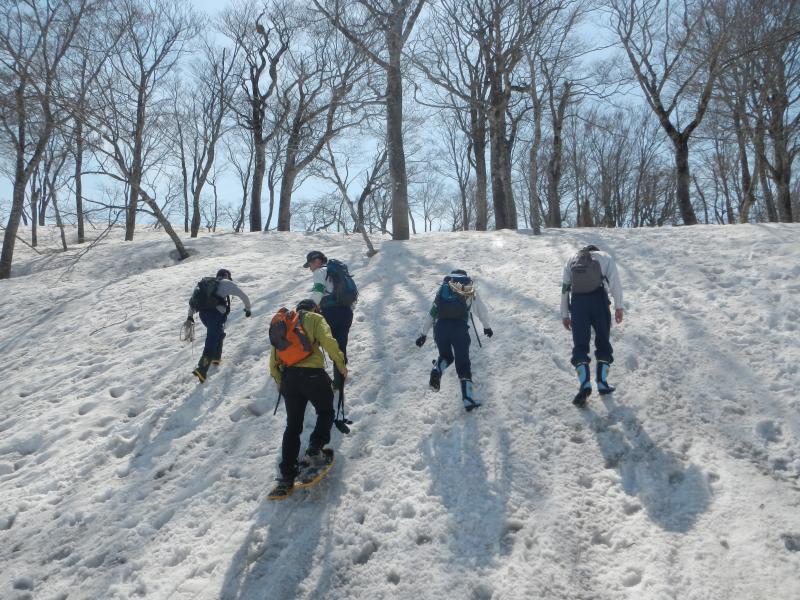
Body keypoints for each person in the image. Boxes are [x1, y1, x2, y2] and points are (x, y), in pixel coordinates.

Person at [268, 299, 348, 500]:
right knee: (325, 411)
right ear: (315, 308)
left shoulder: (284, 323)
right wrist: (340, 364)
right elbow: (329, 341)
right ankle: (315, 448)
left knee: (293, 426)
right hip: (313, 376)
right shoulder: (315, 318)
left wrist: (279, 380)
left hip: (289, 379)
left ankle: (286, 474)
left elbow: (273, 359)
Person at [415, 269, 493, 411]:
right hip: (459, 329)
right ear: (464, 276)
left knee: (446, 356)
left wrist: (423, 334)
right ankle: (468, 400)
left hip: (441, 328)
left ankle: (437, 369)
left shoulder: (443, 289)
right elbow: (481, 310)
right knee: (463, 365)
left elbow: (432, 312)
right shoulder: (468, 287)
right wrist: (486, 327)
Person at [560, 244, 624, 406]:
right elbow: (615, 283)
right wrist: (619, 306)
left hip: (578, 303)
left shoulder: (572, 259)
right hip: (598, 301)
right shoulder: (605, 257)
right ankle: (602, 383)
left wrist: (565, 314)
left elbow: (565, 288)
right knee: (602, 341)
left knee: (580, 344)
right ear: (596, 249)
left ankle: (584, 384)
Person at [186, 268, 252, 383]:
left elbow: (193, 300)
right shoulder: (227, 283)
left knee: (218, 334)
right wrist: (248, 309)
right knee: (212, 338)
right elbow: (243, 296)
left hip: (203, 315)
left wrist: (190, 316)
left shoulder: (206, 285)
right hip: (215, 316)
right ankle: (202, 369)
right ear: (226, 275)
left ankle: (216, 358)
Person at [304, 250, 355, 390]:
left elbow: (318, 291)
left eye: (309, 264)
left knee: (314, 342)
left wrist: (307, 309)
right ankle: (339, 381)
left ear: (316, 261)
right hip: (346, 312)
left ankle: (310, 379)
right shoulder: (339, 273)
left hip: (330, 312)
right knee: (340, 345)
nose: (310, 268)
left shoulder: (320, 272)